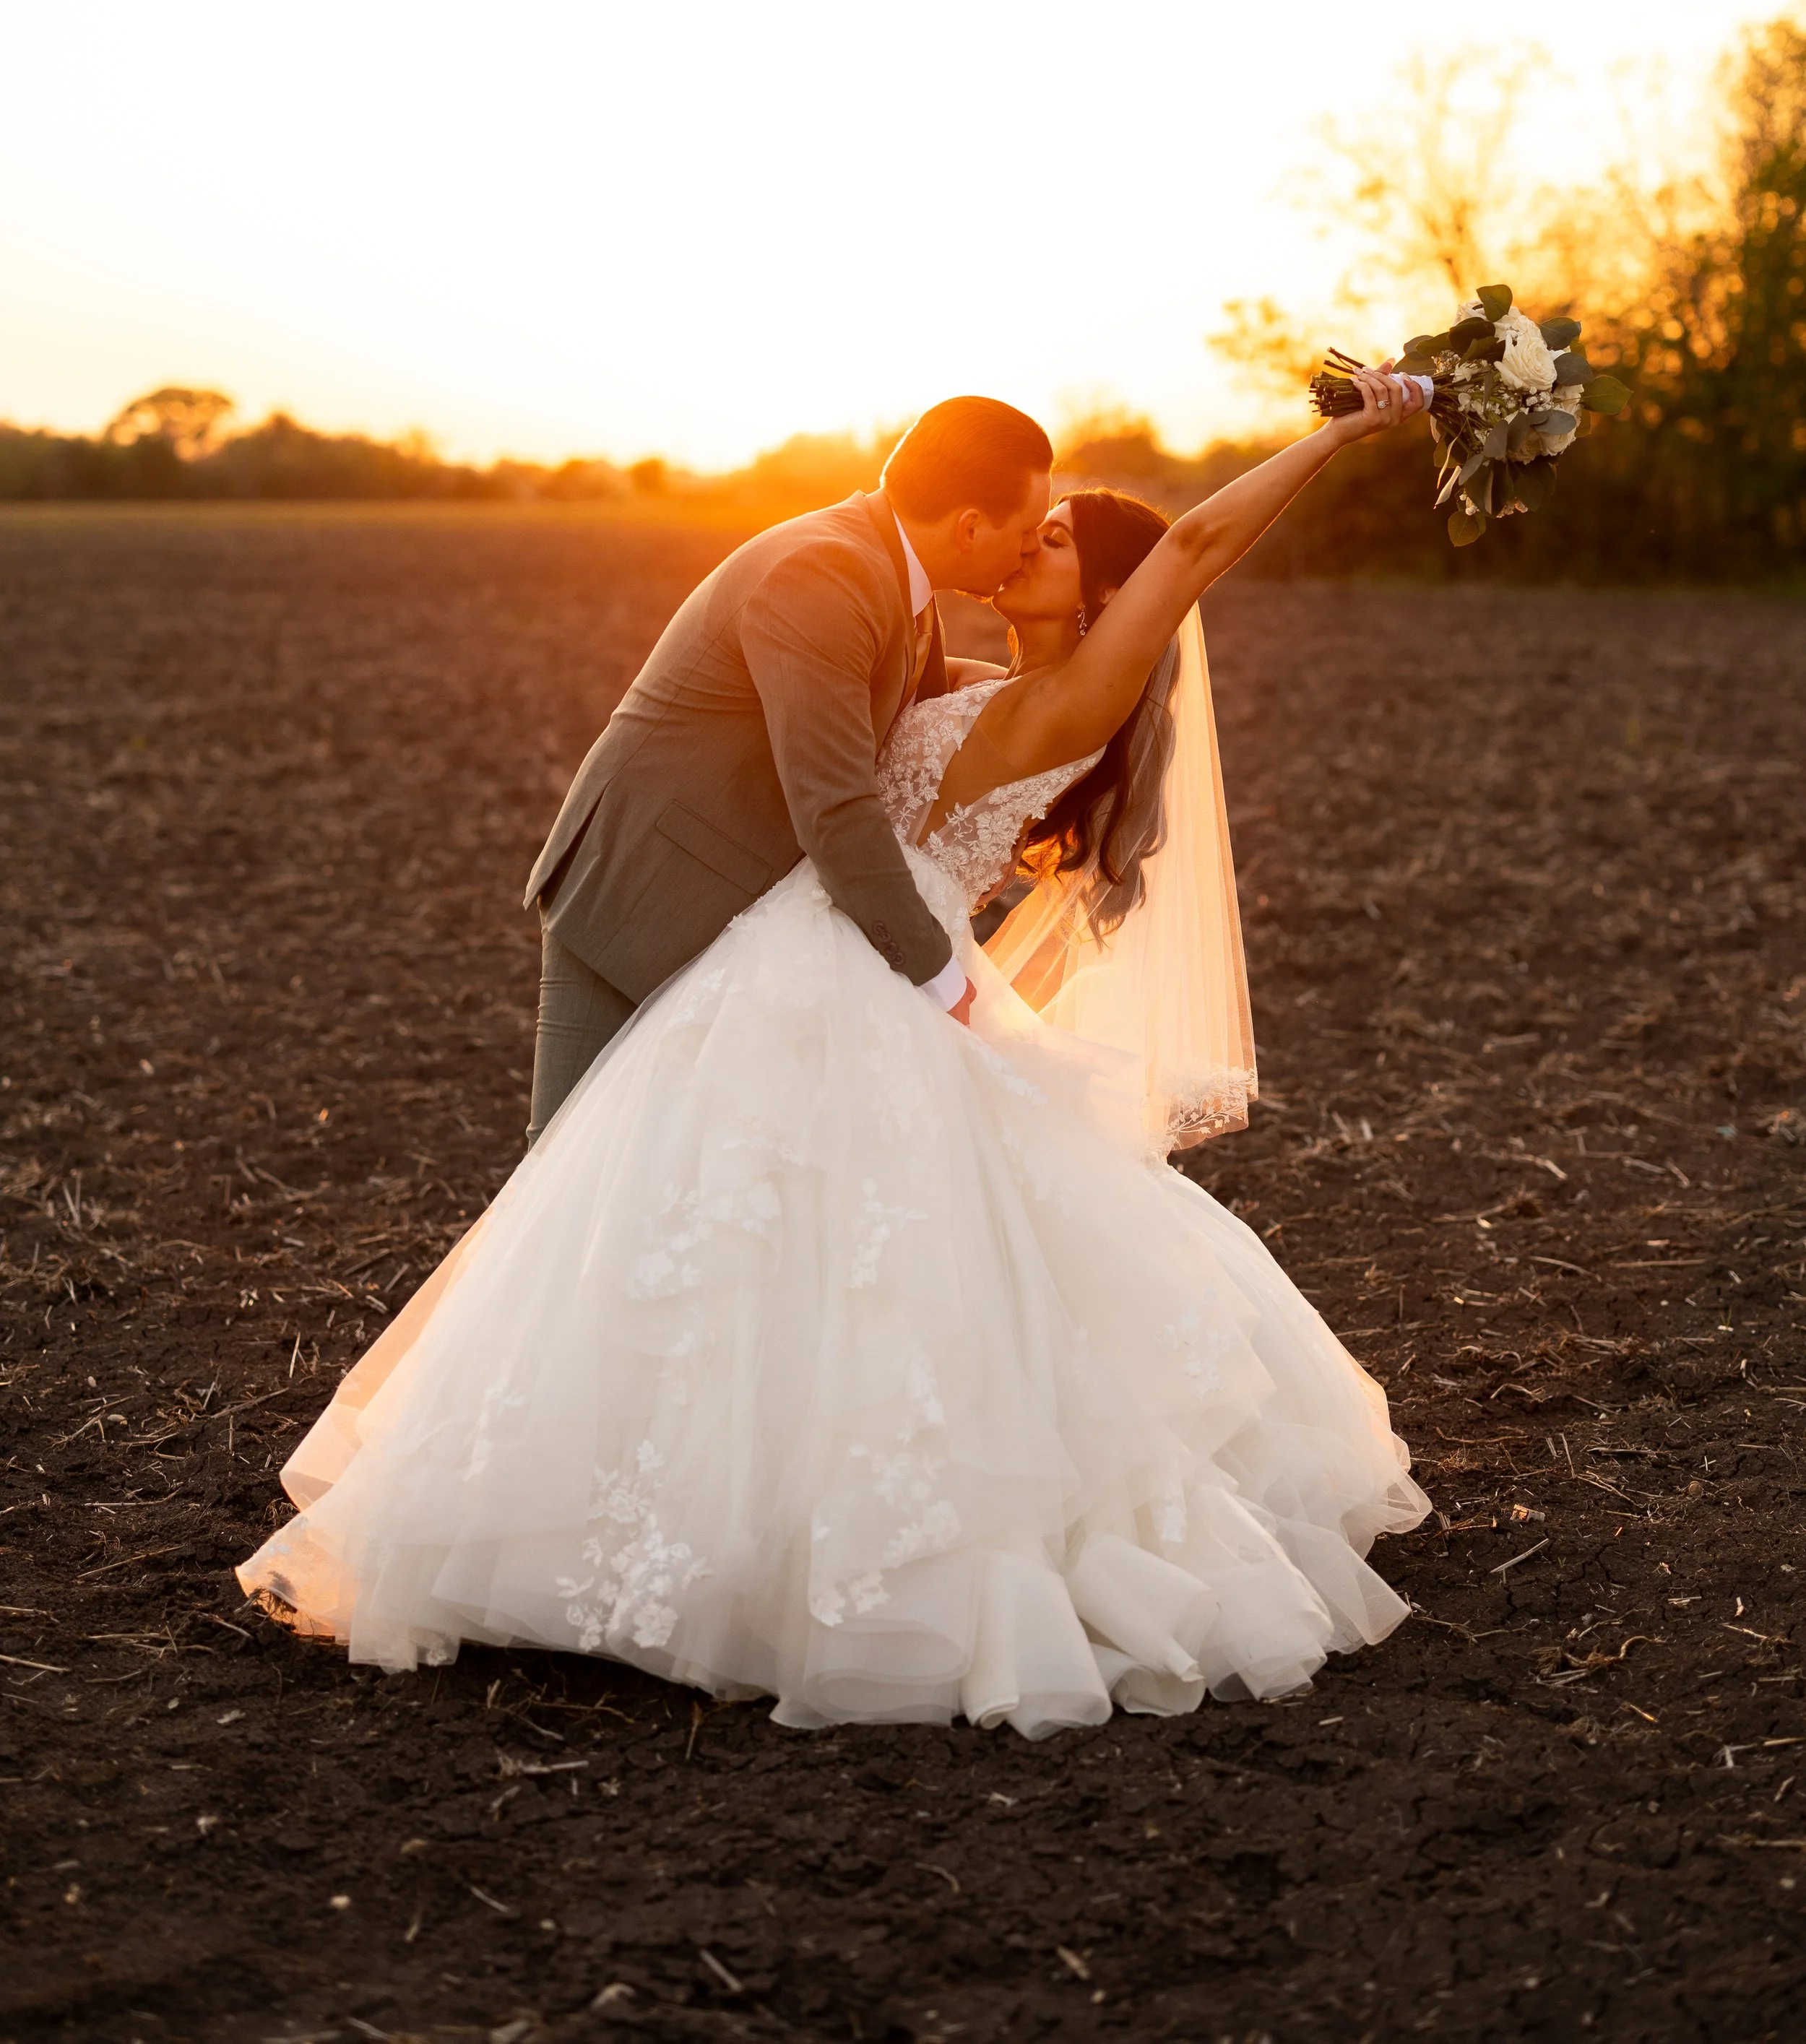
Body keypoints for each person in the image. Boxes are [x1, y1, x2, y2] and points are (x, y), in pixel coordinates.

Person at [240, 367, 1433, 1734]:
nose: (1033, 546)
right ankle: (635, 1505)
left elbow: (1198, 546)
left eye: (1057, 543)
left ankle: (757, 1548)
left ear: (1114, 599)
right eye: (1027, 524)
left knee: (810, 1260)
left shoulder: (1080, 692)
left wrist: (1343, 434)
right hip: (809, 947)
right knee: (704, 1232)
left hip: (865, 958)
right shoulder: (977, 667)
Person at [519, 394, 1054, 1140]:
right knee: (571, 1172)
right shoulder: (824, 574)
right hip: (643, 898)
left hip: (727, 904)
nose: (1030, 550)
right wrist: (939, 978)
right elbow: (834, 804)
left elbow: (895, 698)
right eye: (1027, 532)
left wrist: (1001, 690)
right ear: (968, 527)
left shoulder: (896, 575)